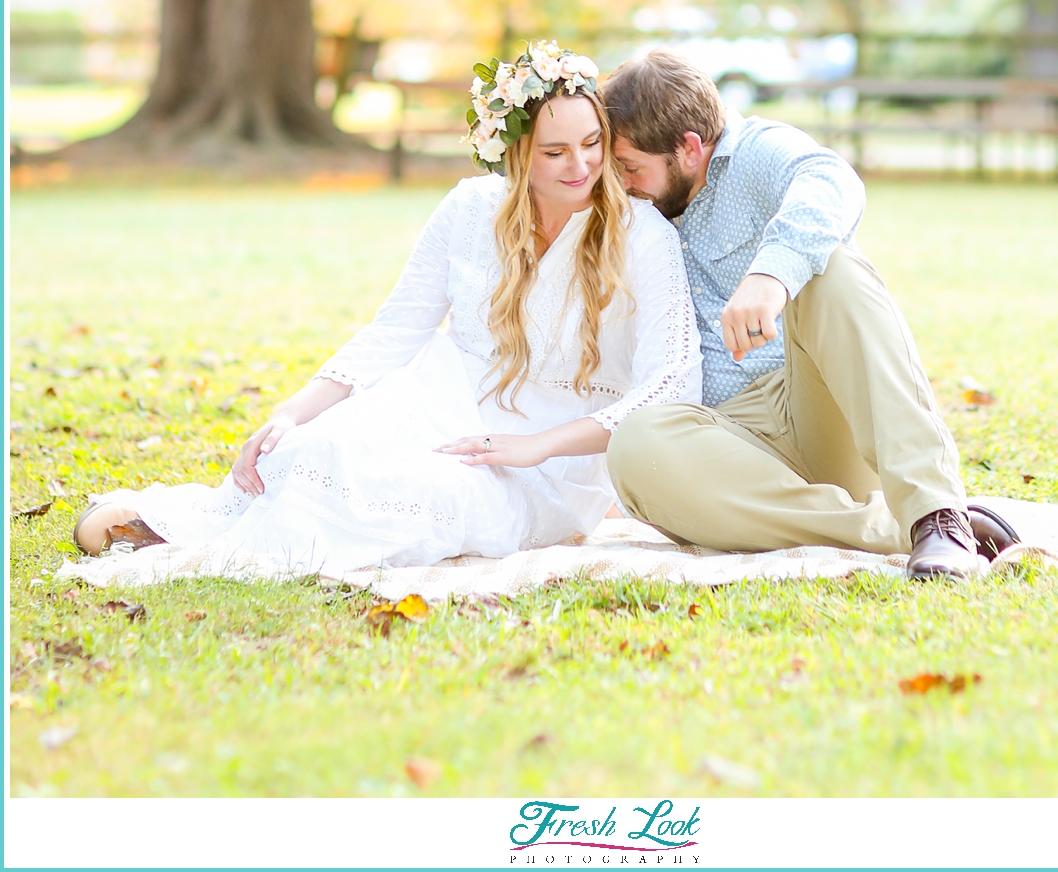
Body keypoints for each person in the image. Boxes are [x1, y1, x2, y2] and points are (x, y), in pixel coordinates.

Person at [73, 43, 701, 576]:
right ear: (516, 154)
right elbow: (396, 330)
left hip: (552, 462)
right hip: (443, 395)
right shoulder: (469, 208)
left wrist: (537, 446)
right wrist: (290, 412)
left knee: (424, 496)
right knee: (306, 452)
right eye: (554, 151)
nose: (582, 165)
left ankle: (217, 551)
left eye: (592, 144)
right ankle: (183, 528)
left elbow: (672, 383)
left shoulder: (641, 234)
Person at [601, 50, 1019, 580]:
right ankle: (902, 528)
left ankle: (935, 511)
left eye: (632, 168)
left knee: (832, 267)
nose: (622, 183)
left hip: (816, 408)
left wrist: (771, 275)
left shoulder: (755, 151)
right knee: (635, 445)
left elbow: (830, 179)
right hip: (731, 442)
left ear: (688, 149)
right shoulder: (639, 204)